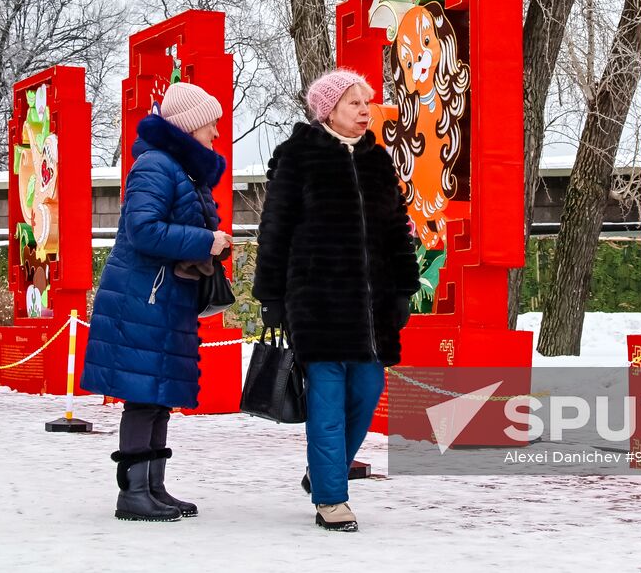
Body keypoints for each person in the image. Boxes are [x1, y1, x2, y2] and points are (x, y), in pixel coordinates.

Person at [254, 69, 419, 533]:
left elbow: (396, 232)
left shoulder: (377, 162)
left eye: (367, 103)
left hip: (373, 310)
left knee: (365, 396)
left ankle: (321, 473)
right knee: (326, 401)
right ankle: (331, 498)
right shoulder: (297, 157)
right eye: (355, 104)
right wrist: (271, 296)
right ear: (329, 111)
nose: (366, 112)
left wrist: (404, 288)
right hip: (318, 304)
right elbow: (275, 230)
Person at [82, 81, 232, 523]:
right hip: (143, 298)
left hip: (163, 297)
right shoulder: (155, 166)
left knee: (159, 395)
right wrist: (207, 240)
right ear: (189, 125)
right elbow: (143, 230)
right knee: (143, 396)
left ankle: (153, 487)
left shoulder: (179, 168)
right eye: (211, 125)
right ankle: (132, 495)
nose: (216, 135)